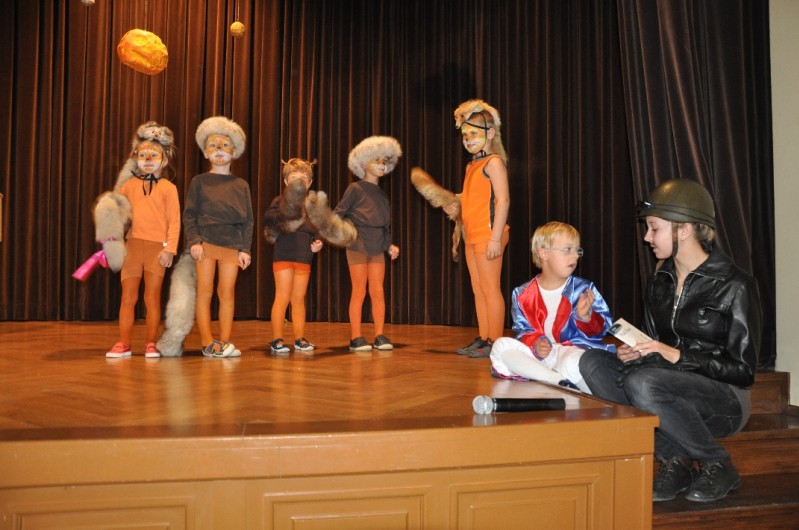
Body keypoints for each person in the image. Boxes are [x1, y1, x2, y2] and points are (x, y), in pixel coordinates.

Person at [579, 178, 762, 503]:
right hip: (665, 384)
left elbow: (743, 372)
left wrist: (677, 356)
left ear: (685, 229)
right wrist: (638, 352)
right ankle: (675, 460)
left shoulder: (736, 285)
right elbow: (653, 344)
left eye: (654, 228)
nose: (647, 237)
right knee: (592, 363)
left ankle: (718, 464)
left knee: (643, 383)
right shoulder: (660, 280)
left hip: (724, 399)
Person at [490, 222, 613, 392]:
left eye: (577, 250)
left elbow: (602, 330)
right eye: (567, 250)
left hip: (572, 352)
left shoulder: (584, 289)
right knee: (500, 346)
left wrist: (586, 318)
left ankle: (555, 379)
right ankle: (557, 380)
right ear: (544, 253)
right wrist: (536, 343)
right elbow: (523, 331)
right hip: (541, 356)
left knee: (573, 360)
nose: (575, 256)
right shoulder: (522, 293)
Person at [104, 122, 181, 359]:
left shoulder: (168, 188)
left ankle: (150, 343)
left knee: (152, 298)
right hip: (133, 248)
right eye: (142, 155)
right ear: (135, 159)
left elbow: (174, 221)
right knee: (128, 297)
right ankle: (124, 343)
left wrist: (170, 249)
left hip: (157, 249)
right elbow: (118, 216)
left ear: (164, 160)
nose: (147, 160)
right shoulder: (128, 186)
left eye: (153, 155)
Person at [183, 116, 253, 358]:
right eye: (213, 145)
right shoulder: (199, 182)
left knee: (227, 293)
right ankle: (207, 342)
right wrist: (195, 242)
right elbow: (189, 215)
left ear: (234, 152)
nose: (219, 150)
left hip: (232, 245)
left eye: (225, 145)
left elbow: (248, 221)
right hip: (206, 243)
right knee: (205, 293)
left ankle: (224, 341)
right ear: (205, 152)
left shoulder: (241, 185)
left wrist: (245, 249)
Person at [445, 99, 510, 357]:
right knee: (478, 289)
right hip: (472, 236)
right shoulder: (472, 165)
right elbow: (474, 200)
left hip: (488, 235)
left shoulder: (494, 162)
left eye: (474, 133)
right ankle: (484, 337)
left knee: (490, 288)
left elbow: (503, 200)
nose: (468, 139)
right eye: (465, 135)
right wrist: (456, 207)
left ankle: (496, 341)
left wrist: (495, 238)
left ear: (490, 133)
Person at [334, 136, 401, 352]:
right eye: (376, 160)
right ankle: (356, 337)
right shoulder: (355, 188)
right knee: (359, 291)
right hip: (358, 245)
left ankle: (379, 335)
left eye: (384, 161)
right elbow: (338, 213)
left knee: (378, 291)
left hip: (377, 246)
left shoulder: (383, 195)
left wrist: (389, 245)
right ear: (363, 164)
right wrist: (347, 233)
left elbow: (386, 226)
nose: (381, 165)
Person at [263, 158, 323, 354]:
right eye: (294, 176)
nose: (298, 180)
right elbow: (268, 218)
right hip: (284, 255)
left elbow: (318, 228)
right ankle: (276, 339)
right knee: (282, 296)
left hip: (304, 257)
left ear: (310, 183)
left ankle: (299, 338)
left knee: (298, 299)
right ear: (286, 181)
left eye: (303, 177)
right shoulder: (279, 200)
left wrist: (318, 242)